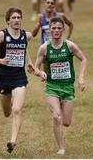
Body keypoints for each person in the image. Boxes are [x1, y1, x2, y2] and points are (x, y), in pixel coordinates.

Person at [34, 17, 87, 155]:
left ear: (63, 30)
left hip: (68, 87)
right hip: (52, 87)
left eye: (59, 28)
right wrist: (41, 74)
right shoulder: (44, 48)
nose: (56, 30)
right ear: (49, 30)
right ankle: (60, 148)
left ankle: (63, 111)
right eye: (53, 28)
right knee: (56, 116)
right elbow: (36, 68)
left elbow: (83, 59)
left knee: (66, 122)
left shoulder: (69, 46)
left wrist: (81, 78)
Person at [0, 7, 35, 153]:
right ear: (8, 21)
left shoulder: (25, 35)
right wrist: (0, 60)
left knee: (17, 109)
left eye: (19, 17)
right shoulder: (1, 35)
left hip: (19, 78)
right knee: (7, 112)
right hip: (4, 79)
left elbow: (24, 48)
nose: (16, 20)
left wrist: (30, 63)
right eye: (13, 18)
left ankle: (13, 141)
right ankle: (10, 102)